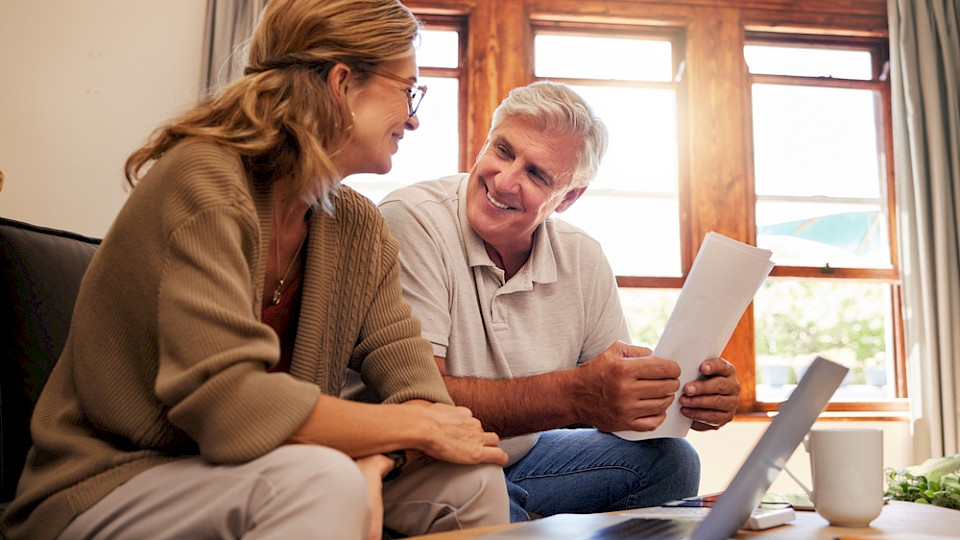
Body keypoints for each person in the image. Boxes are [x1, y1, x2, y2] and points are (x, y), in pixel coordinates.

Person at [0, 1, 510, 539]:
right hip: (111, 481)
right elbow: (230, 407)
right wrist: (398, 433)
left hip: (263, 468)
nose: (414, 116)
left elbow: (422, 395)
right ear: (342, 82)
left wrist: (377, 459)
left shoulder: (359, 228)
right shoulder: (204, 180)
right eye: (408, 90)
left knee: (469, 477)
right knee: (322, 479)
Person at [373, 81, 742, 521]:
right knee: (491, 496)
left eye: (537, 174)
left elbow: (610, 408)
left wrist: (690, 397)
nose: (505, 181)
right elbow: (422, 402)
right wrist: (576, 395)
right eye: (503, 151)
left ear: (567, 198)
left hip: (516, 459)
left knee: (673, 459)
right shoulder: (413, 220)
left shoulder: (582, 256)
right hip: (413, 464)